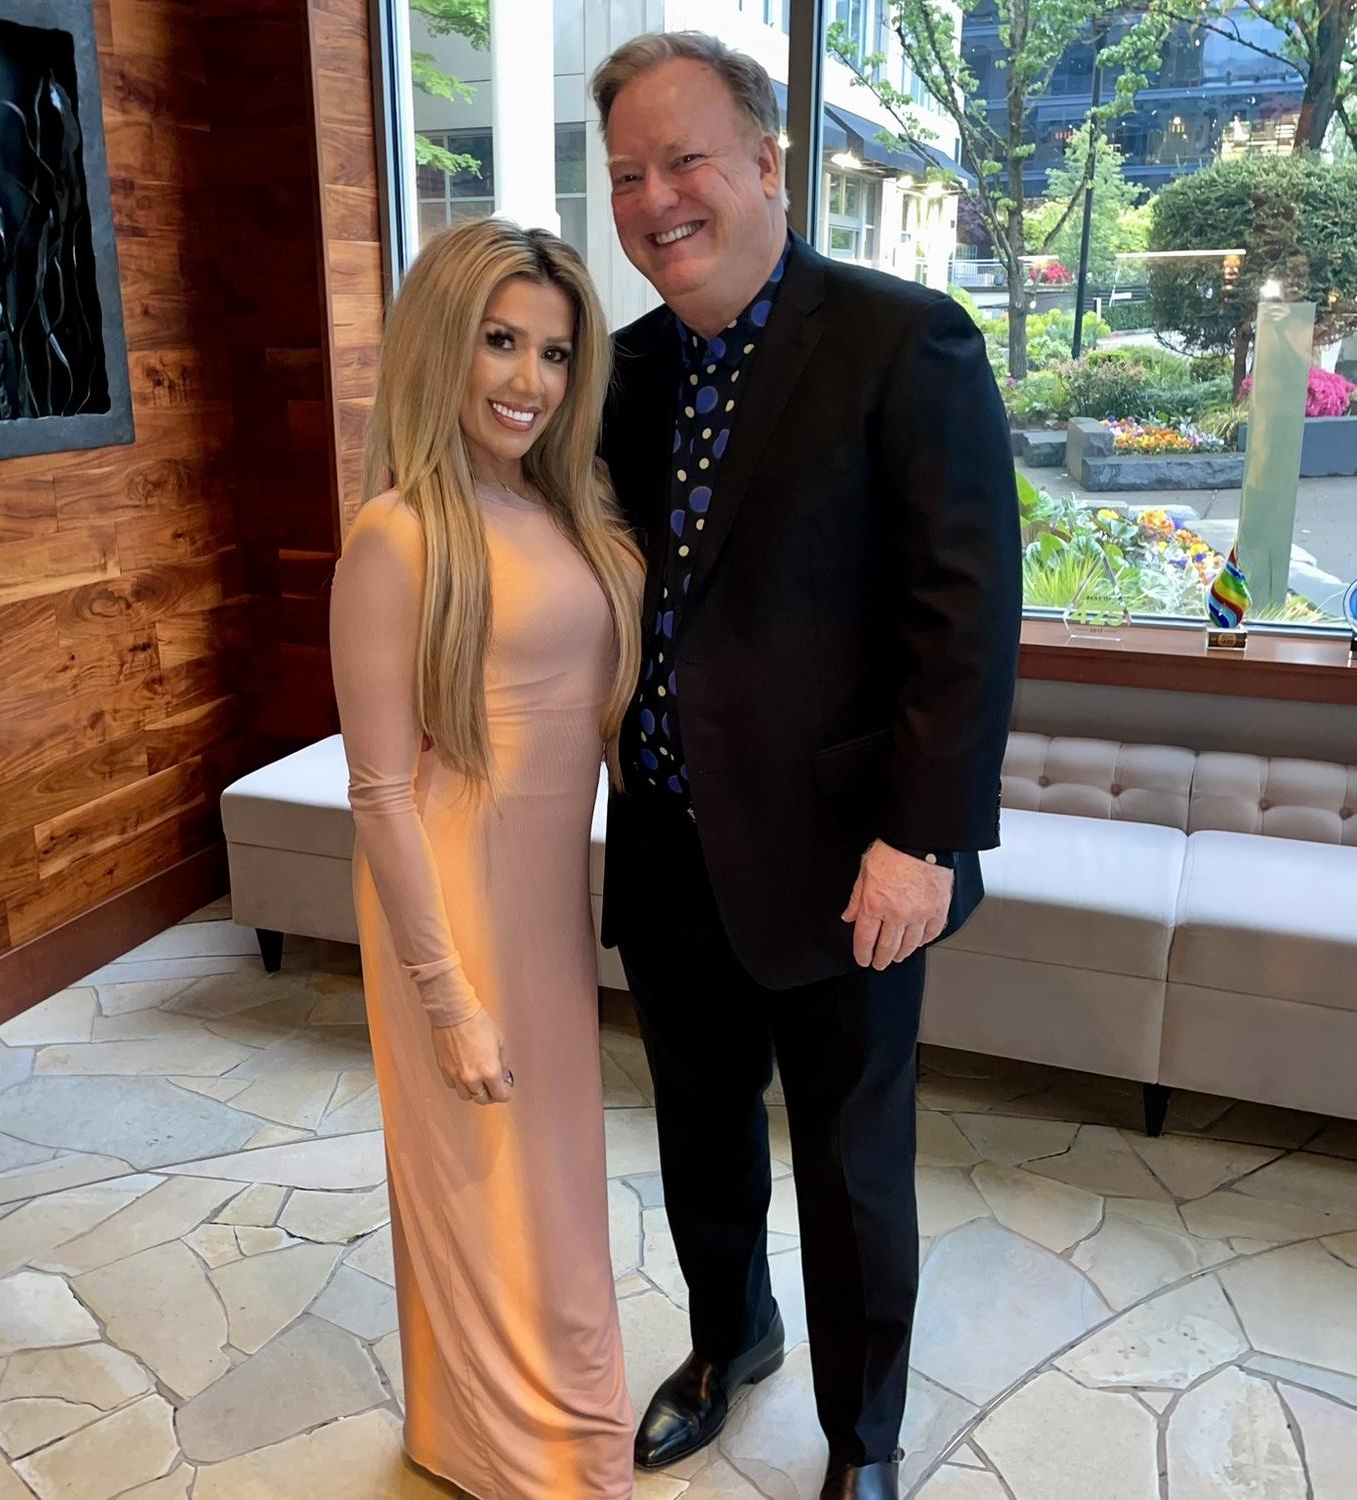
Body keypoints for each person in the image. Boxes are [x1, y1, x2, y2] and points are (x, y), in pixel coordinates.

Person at [591, 33, 1021, 1500]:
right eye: (628, 174)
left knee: (851, 1173)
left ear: (769, 164)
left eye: (685, 161)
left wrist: (924, 837)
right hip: (668, 844)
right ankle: (731, 1343)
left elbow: (964, 615)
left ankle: (865, 1441)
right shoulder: (625, 372)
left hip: (851, 863)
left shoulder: (903, 341)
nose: (656, 200)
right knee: (700, 1142)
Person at [329, 218, 643, 1500]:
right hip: (451, 905)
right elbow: (378, 791)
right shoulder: (399, 535)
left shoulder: (568, 509)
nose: (528, 381)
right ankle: (518, 1462)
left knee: (553, 1187)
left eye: (555, 353)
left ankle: (534, 1442)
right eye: (499, 342)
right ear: (440, 347)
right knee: (483, 1187)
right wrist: (443, 995)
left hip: (549, 905)